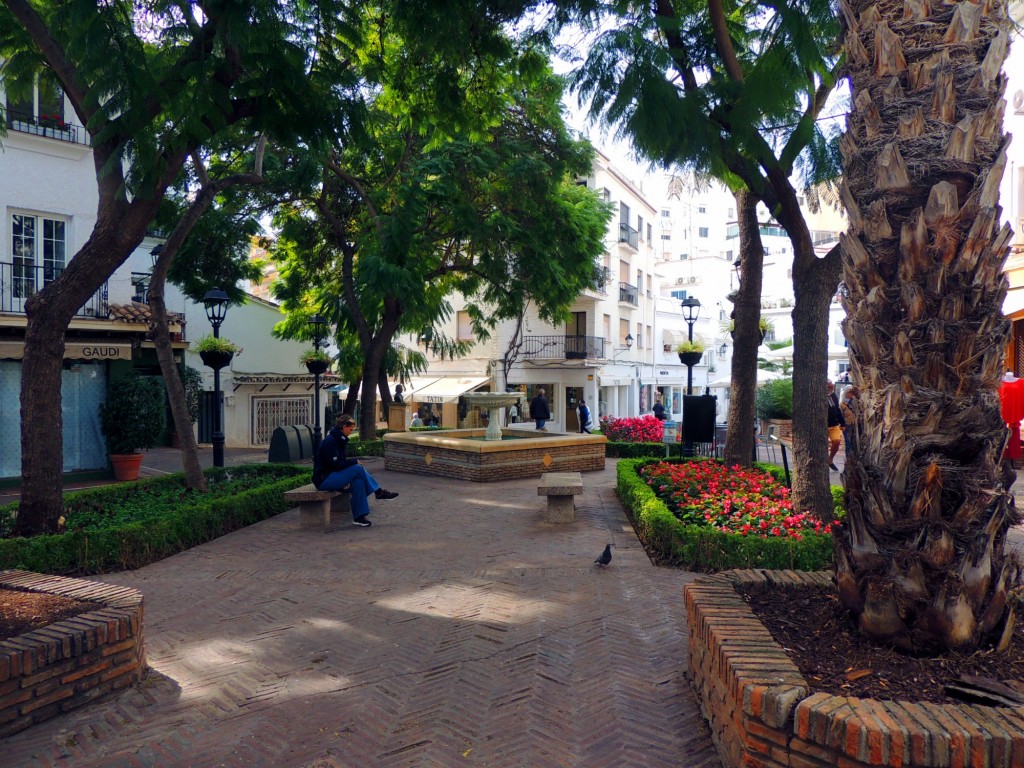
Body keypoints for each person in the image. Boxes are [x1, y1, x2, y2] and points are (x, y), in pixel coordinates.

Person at [313, 414, 399, 527]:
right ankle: (379, 492)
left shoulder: (339, 440)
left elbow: (339, 463)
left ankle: (359, 517)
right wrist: (354, 462)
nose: (351, 431)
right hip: (324, 479)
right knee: (358, 469)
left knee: (359, 482)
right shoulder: (331, 442)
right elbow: (335, 464)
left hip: (333, 476)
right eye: (350, 429)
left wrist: (351, 465)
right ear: (343, 426)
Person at [826, 380, 846, 472]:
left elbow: (837, 410)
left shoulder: (833, 396)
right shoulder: (819, 396)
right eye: (829, 387)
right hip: (823, 425)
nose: (831, 388)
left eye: (832, 386)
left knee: (837, 441)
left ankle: (830, 460)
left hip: (833, 424)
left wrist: (843, 423)